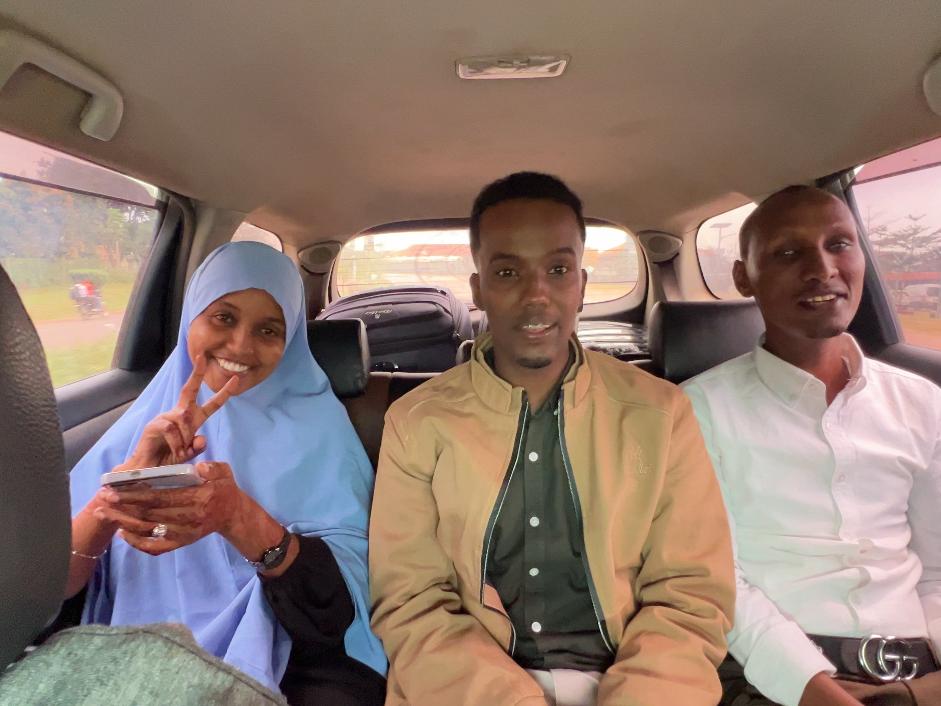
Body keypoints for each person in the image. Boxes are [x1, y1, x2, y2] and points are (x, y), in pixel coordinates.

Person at [369, 172, 735, 705]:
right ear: (478, 291)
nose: (536, 295)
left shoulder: (660, 413)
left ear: (582, 286)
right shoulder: (416, 422)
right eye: (508, 271)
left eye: (558, 270)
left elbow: (691, 596)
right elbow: (411, 602)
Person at [66, 241, 387, 704]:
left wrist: (239, 518)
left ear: (291, 340)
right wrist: (119, 495)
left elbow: (343, 609)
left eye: (268, 330)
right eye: (224, 317)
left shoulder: (323, 433)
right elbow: (51, 589)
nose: (241, 346)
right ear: (191, 317)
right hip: (133, 654)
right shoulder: (140, 429)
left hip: (289, 661)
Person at [682, 185, 941, 706]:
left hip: (918, 672)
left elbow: (937, 568)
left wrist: (920, 692)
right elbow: (715, 580)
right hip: (773, 675)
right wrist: (810, 688)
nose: (822, 267)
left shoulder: (923, 404)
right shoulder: (696, 411)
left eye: (839, 244)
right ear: (742, 277)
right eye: (788, 252)